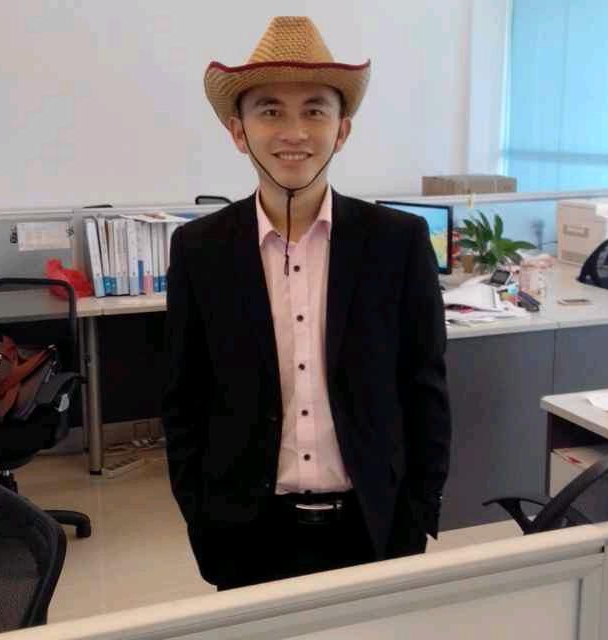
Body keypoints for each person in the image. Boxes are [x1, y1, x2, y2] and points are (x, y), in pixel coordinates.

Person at [162, 16, 451, 591]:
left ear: (342, 130)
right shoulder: (199, 249)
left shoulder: (397, 242)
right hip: (245, 530)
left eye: (314, 110)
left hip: (374, 524)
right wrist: (202, 517)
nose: (293, 131)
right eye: (270, 110)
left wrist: (419, 510)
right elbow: (184, 396)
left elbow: (425, 389)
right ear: (238, 132)